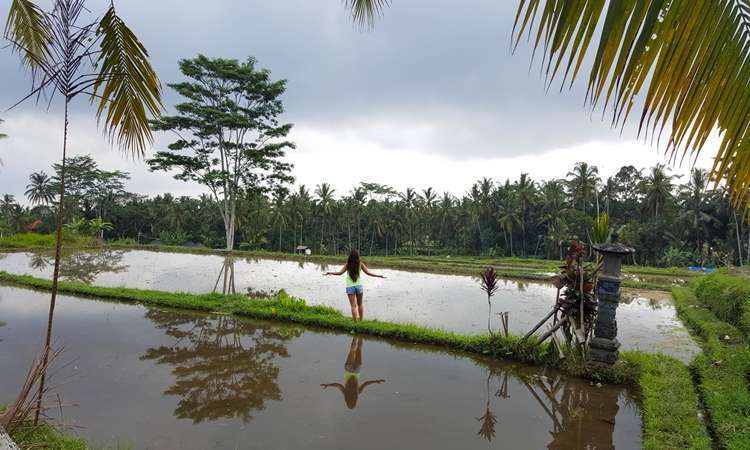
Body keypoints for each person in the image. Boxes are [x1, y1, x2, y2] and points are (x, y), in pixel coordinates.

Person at [321, 336, 385, 409]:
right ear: (347, 401)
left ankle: (361, 334)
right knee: (352, 350)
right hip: (348, 369)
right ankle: (356, 335)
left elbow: (366, 383)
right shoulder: (345, 392)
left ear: (355, 401)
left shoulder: (357, 392)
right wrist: (328, 385)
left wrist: (376, 381)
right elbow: (337, 385)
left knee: (359, 350)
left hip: (356, 371)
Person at [323, 249, 385, 321]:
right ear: (358, 256)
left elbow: (340, 273)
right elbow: (368, 273)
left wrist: (330, 273)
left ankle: (355, 322)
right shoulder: (360, 264)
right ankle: (361, 320)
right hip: (359, 286)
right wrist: (379, 276)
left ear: (350, 257)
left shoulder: (348, 264)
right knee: (360, 304)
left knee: (353, 306)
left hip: (350, 287)